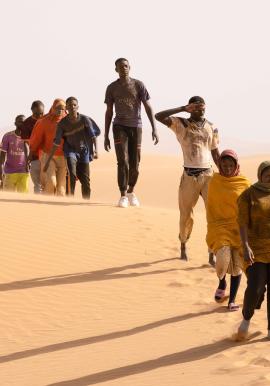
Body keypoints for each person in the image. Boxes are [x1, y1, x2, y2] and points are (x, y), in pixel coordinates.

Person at [155, 97, 219, 264]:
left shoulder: (211, 126)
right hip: (189, 176)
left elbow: (215, 152)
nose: (200, 109)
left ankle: (212, 253)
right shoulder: (180, 124)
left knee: (212, 216)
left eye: (202, 106)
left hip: (208, 176)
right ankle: (183, 245)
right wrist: (182, 108)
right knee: (185, 215)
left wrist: (226, 174)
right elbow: (158, 116)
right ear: (191, 108)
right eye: (196, 107)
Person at [104, 58, 159, 208]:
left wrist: (154, 128)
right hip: (119, 126)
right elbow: (109, 112)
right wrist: (105, 135)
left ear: (130, 67)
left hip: (136, 126)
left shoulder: (138, 85)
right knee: (122, 161)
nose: (124, 68)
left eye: (126, 66)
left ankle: (131, 191)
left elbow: (148, 107)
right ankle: (122, 195)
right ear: (116, 69)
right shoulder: (111, 88)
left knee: (135, 163)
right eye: (120, 67)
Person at [206, 150, 250, 311]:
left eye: (231, 164)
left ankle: (231, 300)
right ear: (220, 165)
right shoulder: (215, 181)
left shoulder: (244, 182)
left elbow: (250, 204)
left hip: (239, 229)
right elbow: (211, 206)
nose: (227, 167)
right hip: (219, 226)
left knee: (237, 266)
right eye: (224, 164)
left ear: (236, 165)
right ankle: (222, 280)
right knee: (223, 261)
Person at [237, 161, 270, 340]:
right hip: (255, 249)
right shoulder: (249, 194)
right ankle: (246, 317)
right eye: (267, 174)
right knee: (255, 287)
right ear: (260, 175)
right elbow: (241, 221)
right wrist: (245, 245)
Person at [44, 97, 100, 200]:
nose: (72, 107)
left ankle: (86, 201)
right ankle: (71, 198)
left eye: (74, 105)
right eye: (70, 105)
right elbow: (56, 143)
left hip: (84, 151)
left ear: (77, 106)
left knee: (85, 180)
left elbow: (93, 136)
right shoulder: (62, 124)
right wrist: (48, 161)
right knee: (72, 174)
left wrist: (96, 150)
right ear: (66, 108)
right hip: (70, 151)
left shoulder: (84, 119)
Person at [30, 99, 66, 196]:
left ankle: (58, 209)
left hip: (64, 158)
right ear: (53, 108)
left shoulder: (68, 120)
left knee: (61, 188)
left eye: (62, 109)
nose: (60, 111)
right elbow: (36, 139)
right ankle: (45, 205)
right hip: (48, 156)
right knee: (51, 183)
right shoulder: (44, 121)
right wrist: (32, 151)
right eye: (58, 108)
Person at [0, 115, 30, 193]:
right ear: (15, 123)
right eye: (20, 122)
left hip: (24, 172)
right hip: (10, 172)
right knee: (8, 199)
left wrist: (29, 165)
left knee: (23, 199)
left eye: (24, 122)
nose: (22, 124)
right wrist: (1, 170)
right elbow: (2, 155)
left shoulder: (29, 136)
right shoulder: (8, 136)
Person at [21, 100, 44, 193]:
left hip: (48, 158)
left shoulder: (46, 120)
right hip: (34, 158)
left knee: (49, 184)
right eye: (37, 113)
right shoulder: (26, 123)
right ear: (32, 110)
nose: (40, 116)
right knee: (38, 185)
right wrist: (27, 159)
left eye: (42, 113)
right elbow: (26, 143)